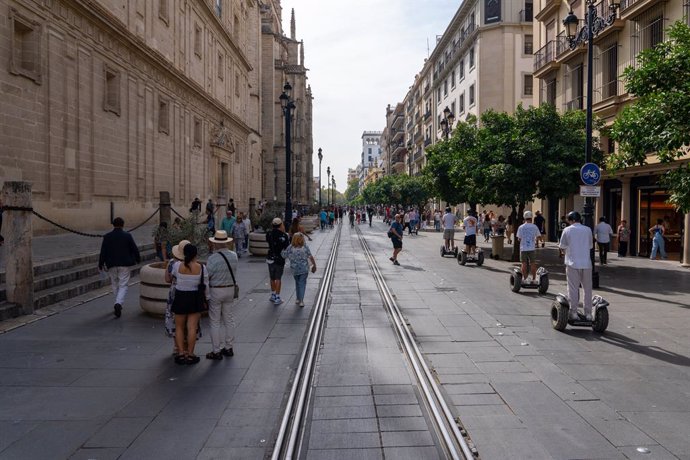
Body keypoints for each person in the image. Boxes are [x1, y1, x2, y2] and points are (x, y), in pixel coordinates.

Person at [170, 244, 208, 364]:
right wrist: (207, 299)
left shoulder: (177, 266)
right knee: (192, 327)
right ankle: (190, 354)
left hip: (180, 297)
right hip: (194, 298)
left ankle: (181, 353)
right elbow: (206, 285)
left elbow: (172, 277)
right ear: (196, 254)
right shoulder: (201, 268)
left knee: (179, 327)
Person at [205, 230, 239, 360]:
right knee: (229, 319)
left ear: (215, 244)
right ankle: (229, 347)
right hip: (230, 289)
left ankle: (216, 350)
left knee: (215, 321)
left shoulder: (212, 259)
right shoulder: (234, 255)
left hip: (216, 290)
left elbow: (208, 276)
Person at [98, 217, 141, 318]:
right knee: (123, 285)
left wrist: (100, 263)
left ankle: (118, 302)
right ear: (123, 224)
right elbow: (134, 248)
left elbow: (103, 251)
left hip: (111, 264)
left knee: (115, 283)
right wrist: (138, 259)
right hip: (124, 264)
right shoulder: (127, 236)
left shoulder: (107, 236)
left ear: (113, 224)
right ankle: (118, 303)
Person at [558, 211, 594, 321]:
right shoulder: (587, 229)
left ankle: (573, 312)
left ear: (571, 220)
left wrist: (565, 252)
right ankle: (588, 313)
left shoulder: (567, 230)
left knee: (573, 288)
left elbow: (562, 246)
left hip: (572, 263)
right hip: (586, 263)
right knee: (587, 289)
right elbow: (590, 246)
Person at [164, 240, 192, 356]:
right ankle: (186, 348)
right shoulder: (193, 263)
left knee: (175, 319)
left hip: (175, 293)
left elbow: (167, 279)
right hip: (190, 293)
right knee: (188, 320)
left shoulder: (172, 263)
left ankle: (176, 346)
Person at [282, 232, 317, 307]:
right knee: (302, 284)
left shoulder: (290, 247)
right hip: (304, 269)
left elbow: (284, 255)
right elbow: (310, 256)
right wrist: (314, 265)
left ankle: (298, 298)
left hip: (294, 269)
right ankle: (301, 300)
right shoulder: (305, 247)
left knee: (297, 283)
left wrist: (281, 250)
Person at [266, 217, 290, 304]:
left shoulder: (269, 234)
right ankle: (277, 297)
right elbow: (287, 247)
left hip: (270, 258)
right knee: (278, 278)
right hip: (279, 259)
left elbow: (268, 242)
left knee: (272, 278)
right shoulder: (284, 236)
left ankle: (272, 295)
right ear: (281, 225)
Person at [516, 211, 541, 284]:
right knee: (533, 263)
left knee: (523, 263)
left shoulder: (521, 227)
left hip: (523, 248)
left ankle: (524, 278)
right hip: (532, 248)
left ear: (524, 217)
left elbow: (519, 239)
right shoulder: (534, 226)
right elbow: (539, 236)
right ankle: (534, 279)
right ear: (531, 217)